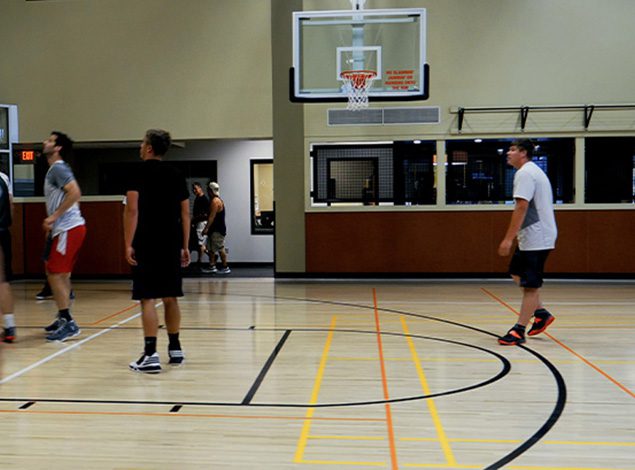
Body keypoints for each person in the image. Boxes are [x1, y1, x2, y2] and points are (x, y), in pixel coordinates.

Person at [124, 129, 190, 373]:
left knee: (147, 297)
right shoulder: (176, 174)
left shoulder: (136, 173)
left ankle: (151, 354)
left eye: (143, 143)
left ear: (149, 148)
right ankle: (175, 348)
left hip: (146, 240)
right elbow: (185, 213)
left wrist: (128, 242)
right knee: (170, 296)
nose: (140, 146)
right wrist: (184, 245)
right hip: (171, 240)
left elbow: (132, 210)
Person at [497, 139, 557, 346]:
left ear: (523, 153)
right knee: (517, 273)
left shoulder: (525, 173)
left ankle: (518, 330)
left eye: (512, 150)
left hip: (537, 237)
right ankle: (540, 313)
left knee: (530, 285)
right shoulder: (530, 171)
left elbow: (521, 207)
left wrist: (507, 239)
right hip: (533, 236)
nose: (508, 153)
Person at [41, 131, 86, 342]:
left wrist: (55, 217)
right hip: (68, 228)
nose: (45, 142)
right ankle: (62, 316)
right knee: (61, 274)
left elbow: (75, 192)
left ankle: (69, 322)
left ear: (57, 147)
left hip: (68, 228)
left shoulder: (58, 168)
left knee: (55, 273)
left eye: (50, 140)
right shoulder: (56, 168)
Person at [0, 171, 16, 343]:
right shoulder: (4, 177)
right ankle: (10, 326)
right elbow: (11, 206)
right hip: (4, 233)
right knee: (3, 282)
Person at [202, 181, 230, 274]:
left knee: (220, 248)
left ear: (210, 191)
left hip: (217, 229)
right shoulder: (217, 200)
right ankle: (212, 266)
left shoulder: (215, 201)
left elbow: (212, 217)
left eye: (208, 190)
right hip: (214, 229)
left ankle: (225, 267)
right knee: (211, 249)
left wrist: (206, 228)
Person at [190, 182, 210, 270]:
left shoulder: (204, 199)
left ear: (200, 188)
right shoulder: (197, 198)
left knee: (200, 243)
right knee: (199, 243)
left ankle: (200, 261)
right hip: (198, 222)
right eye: (193, 189)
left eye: (196, 188)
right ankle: (209, 255)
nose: (194, 191)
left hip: (201, 223)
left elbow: (206, 214)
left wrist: (195, 219)